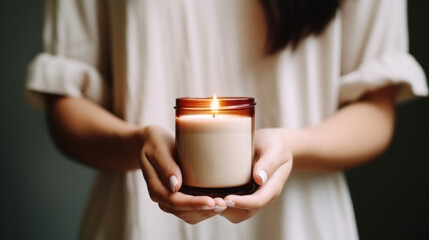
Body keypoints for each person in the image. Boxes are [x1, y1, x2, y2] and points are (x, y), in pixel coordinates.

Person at [26, 0, 428, 239]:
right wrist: (139, 144)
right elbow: (67, 104)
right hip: (137, 223)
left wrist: (290, 146)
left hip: (300, 226)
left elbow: (376, 111)